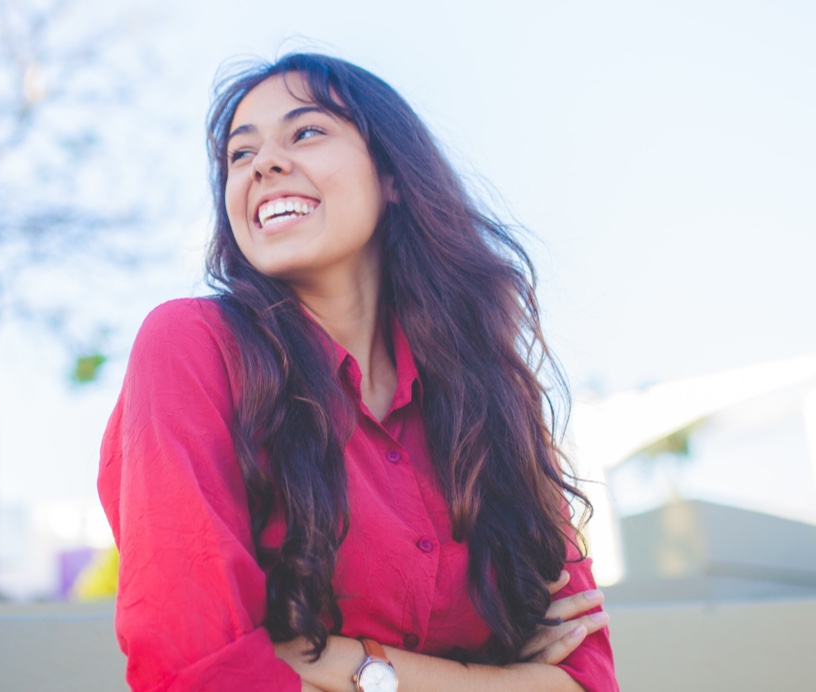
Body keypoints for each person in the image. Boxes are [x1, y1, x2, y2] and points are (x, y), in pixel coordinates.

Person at [98, 53, 617, 691]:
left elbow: (586, 679)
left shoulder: (489, 395)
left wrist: (350, 666)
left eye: (306, 132)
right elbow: (199, 670)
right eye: (240, 154)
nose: (263, 164)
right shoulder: (191, 345)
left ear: (392, 173)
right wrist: (502, 681)